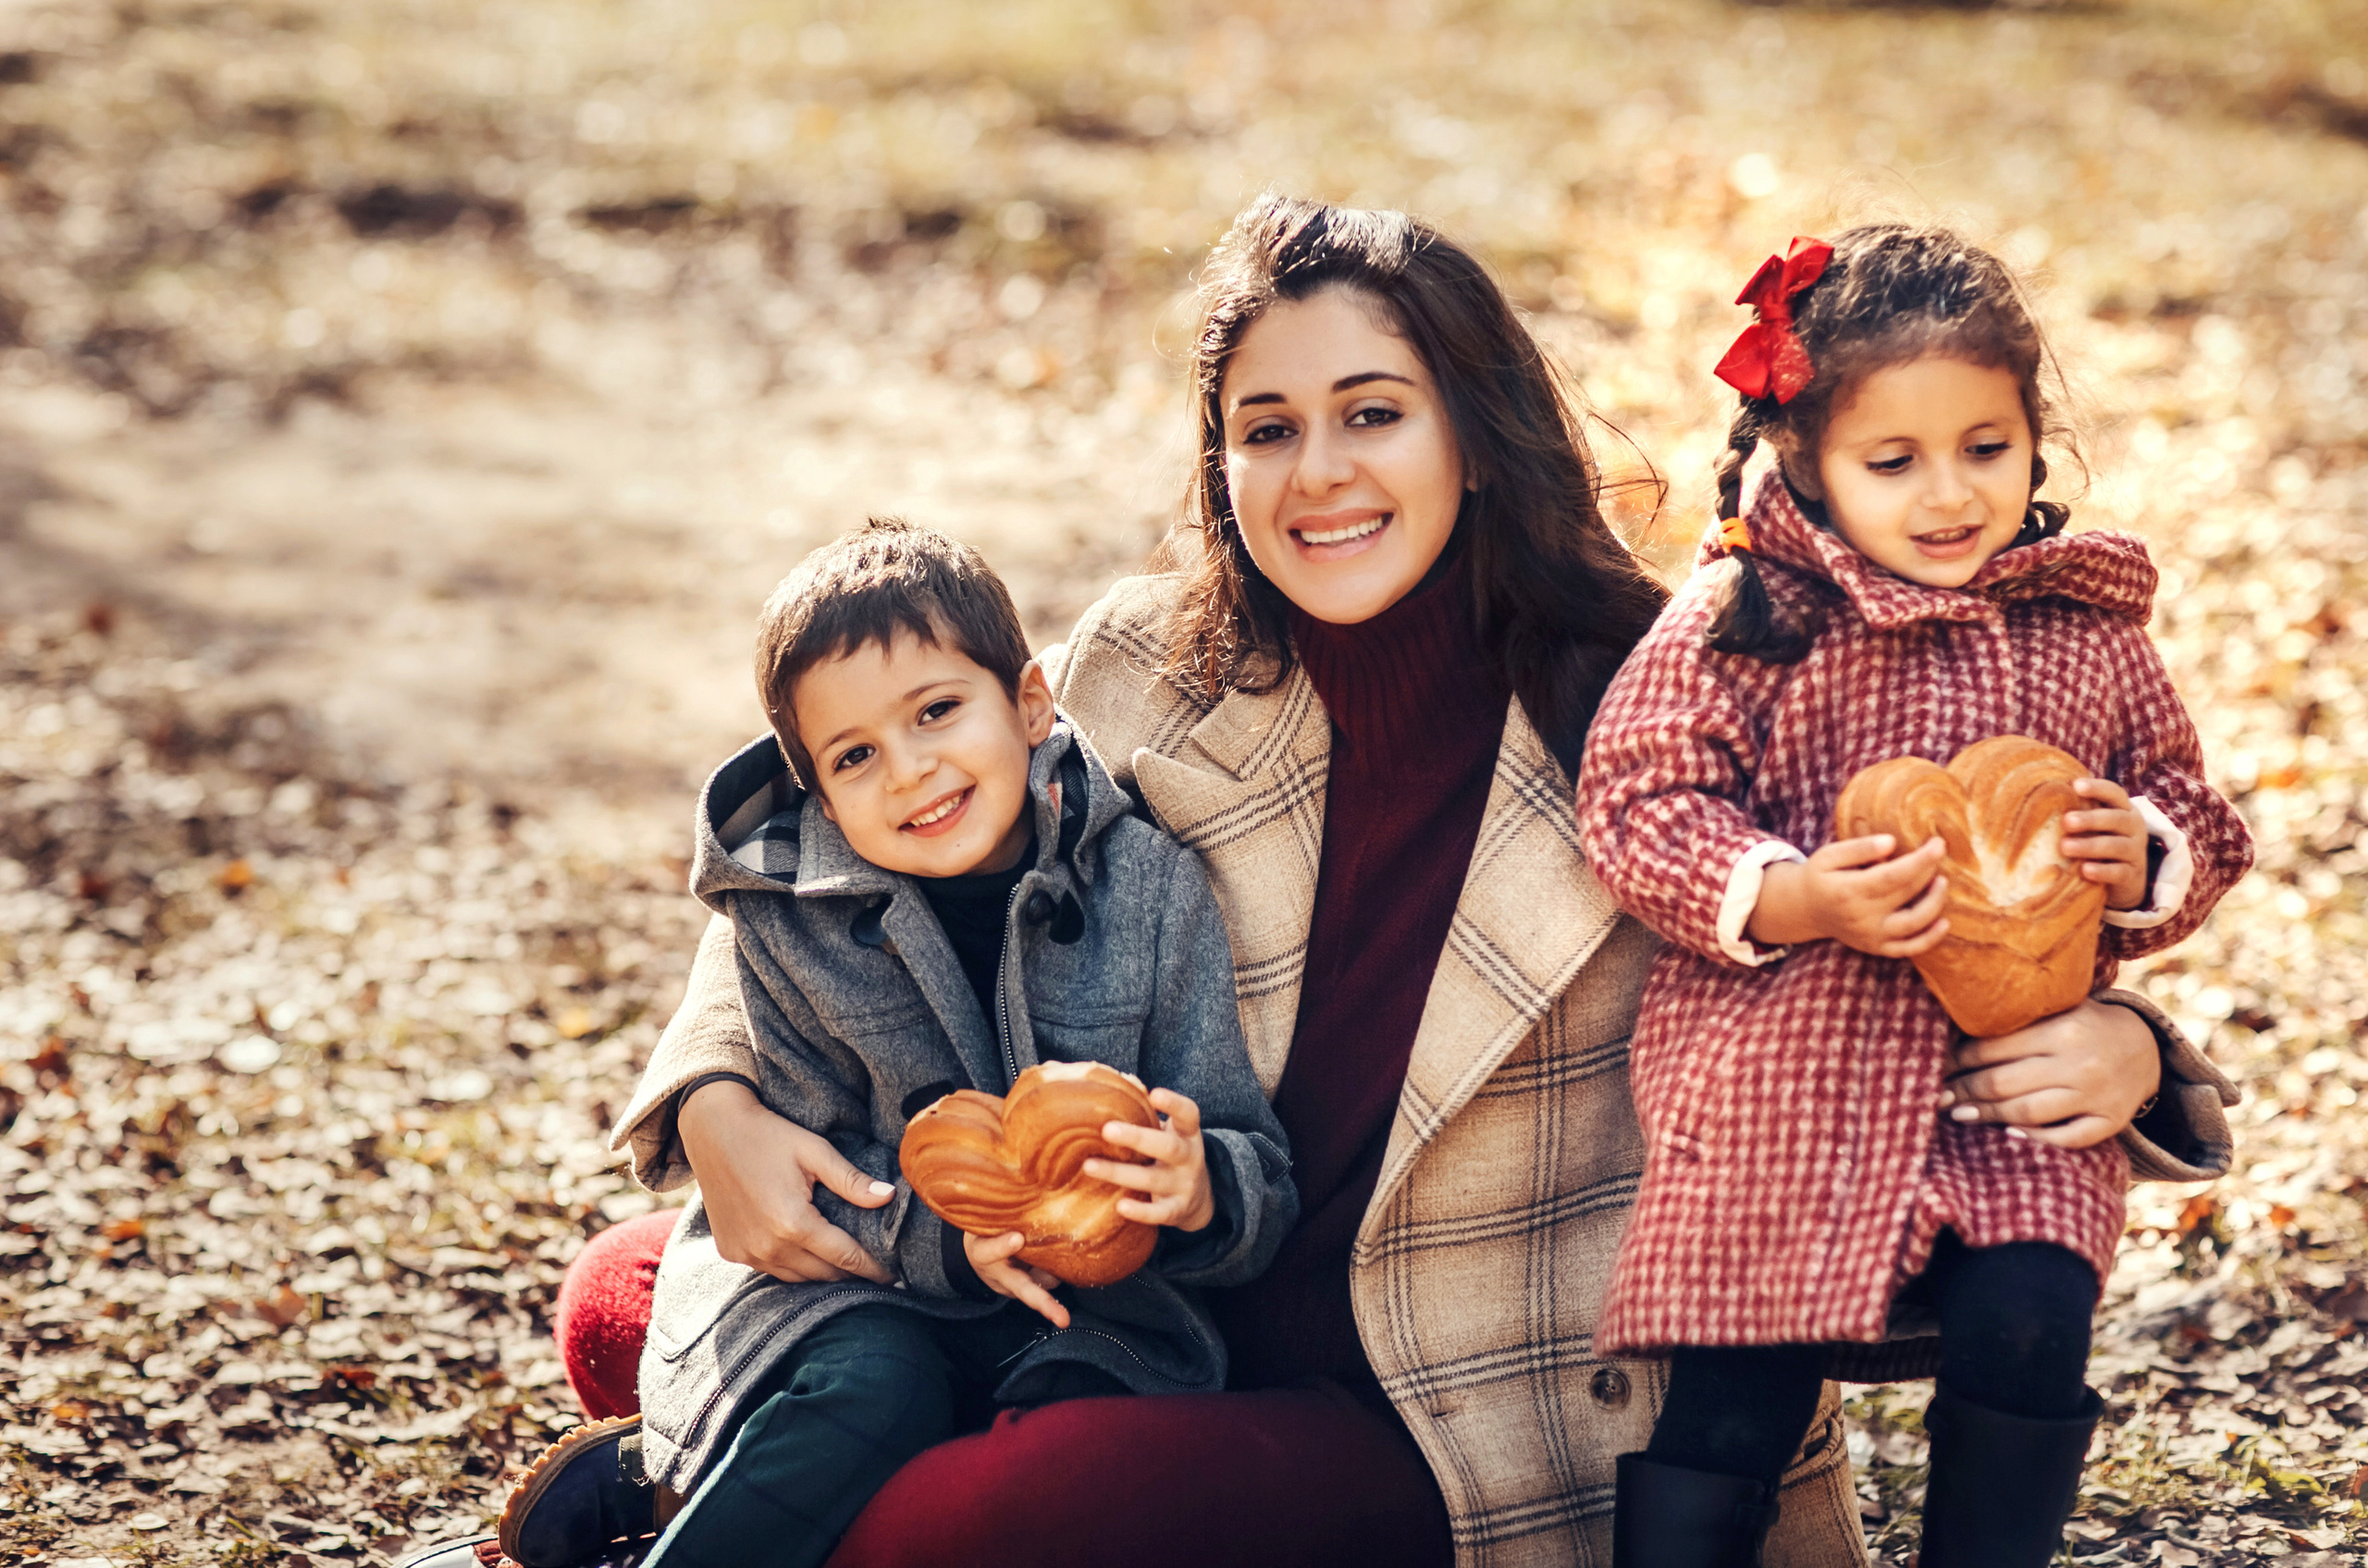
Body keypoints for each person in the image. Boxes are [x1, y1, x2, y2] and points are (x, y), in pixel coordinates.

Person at [414, 198, 2235, 1568]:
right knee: (624, 1288)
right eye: (1264, 425)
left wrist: (2133, 1052)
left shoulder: (1671, 683)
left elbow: (1933, 888)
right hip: (1155, 1286)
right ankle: (711, 1466)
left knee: (947, 1529)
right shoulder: (1153, 662)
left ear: (1468, 418)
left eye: (1369, 410)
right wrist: (717, 1085)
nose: (1318, 472)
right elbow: (887, 824)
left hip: (1452, 1389)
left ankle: (704, 1492)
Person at [1576, 226, 2253, 1567]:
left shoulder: (2086, 630)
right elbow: (1635, 804)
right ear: (1809, 459)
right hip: (1783, 1097)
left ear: (2030, 439)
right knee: (1735, 1397)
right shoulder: (1747, 616)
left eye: (1985, 448)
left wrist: (2147, 854)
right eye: (1894, 461)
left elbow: (2196, 807)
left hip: (2012, 1092)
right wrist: (1787, 893)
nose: (1948, 494)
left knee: (2032, 1314)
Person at [496, 521, 1294, 1568]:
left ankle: (660, 1479)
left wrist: (1199, 1189)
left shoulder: (1150, 892)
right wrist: (946, 1244)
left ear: (1028, 702)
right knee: (878, 1386)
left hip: (1095, 1319)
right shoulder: (788, 928)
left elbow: (1251, 1161)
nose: (911, 771)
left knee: (1078, 1449)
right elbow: (807, 1174)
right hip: (865, 1294)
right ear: (814, 790)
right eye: (856, 755)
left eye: (937, 712)